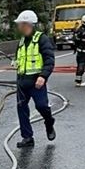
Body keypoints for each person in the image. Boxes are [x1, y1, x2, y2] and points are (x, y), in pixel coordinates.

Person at [13, 10, 56, 148]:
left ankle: (49, 122)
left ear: (27, 24)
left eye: (20, 24)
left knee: (41, 106)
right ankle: (27, 137)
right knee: (22, 108)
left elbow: (49, 59)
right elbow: (20, 58)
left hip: (36, 81)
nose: (18, 27)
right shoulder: (21, 41)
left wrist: (43, 76)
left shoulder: (41, 39)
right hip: (22, 81)